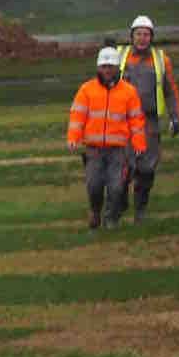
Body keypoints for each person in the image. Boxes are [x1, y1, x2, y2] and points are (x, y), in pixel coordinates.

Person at [67, 46, 147, 229]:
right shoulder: (86, 90)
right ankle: (95, 211)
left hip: (118, 150)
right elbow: (77, 115)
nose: (107, 70)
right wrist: (73, 136)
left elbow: (136, 120)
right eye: (103, 66)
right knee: (94, 186)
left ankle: (111, 219)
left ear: (118, 68)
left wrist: (139, 144)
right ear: (98, 68)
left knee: (116, 187)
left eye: (110, 66)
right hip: (93, 150)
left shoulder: (129, 92)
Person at [118, 15, 179, 223]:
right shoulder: (120, 56)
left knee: (146, 168)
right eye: (138, 34)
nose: (142, 38)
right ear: (131, 36)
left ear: (152, 37)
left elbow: (171, 91)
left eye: (146, 35)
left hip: (150, 122)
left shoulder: (162, 60)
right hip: (123, 122)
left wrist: (175, 117)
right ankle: (120, 202)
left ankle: (140, 210)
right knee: (123, 167)